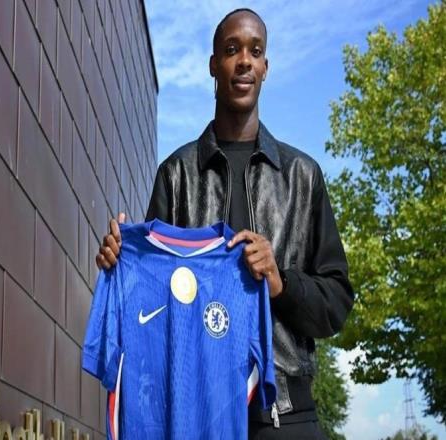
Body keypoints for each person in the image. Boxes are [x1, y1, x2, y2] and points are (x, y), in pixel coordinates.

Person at [96, 8, 353, 440]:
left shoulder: (302, 176)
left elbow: (337, 304)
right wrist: (120, 263)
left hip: (285, 414)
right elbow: (151, 308)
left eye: (255, 51)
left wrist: (280, 283)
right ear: (214, 65)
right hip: (196, 413)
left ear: (265, 67)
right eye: (232, 50)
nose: (244, 61)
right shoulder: (176, 174)